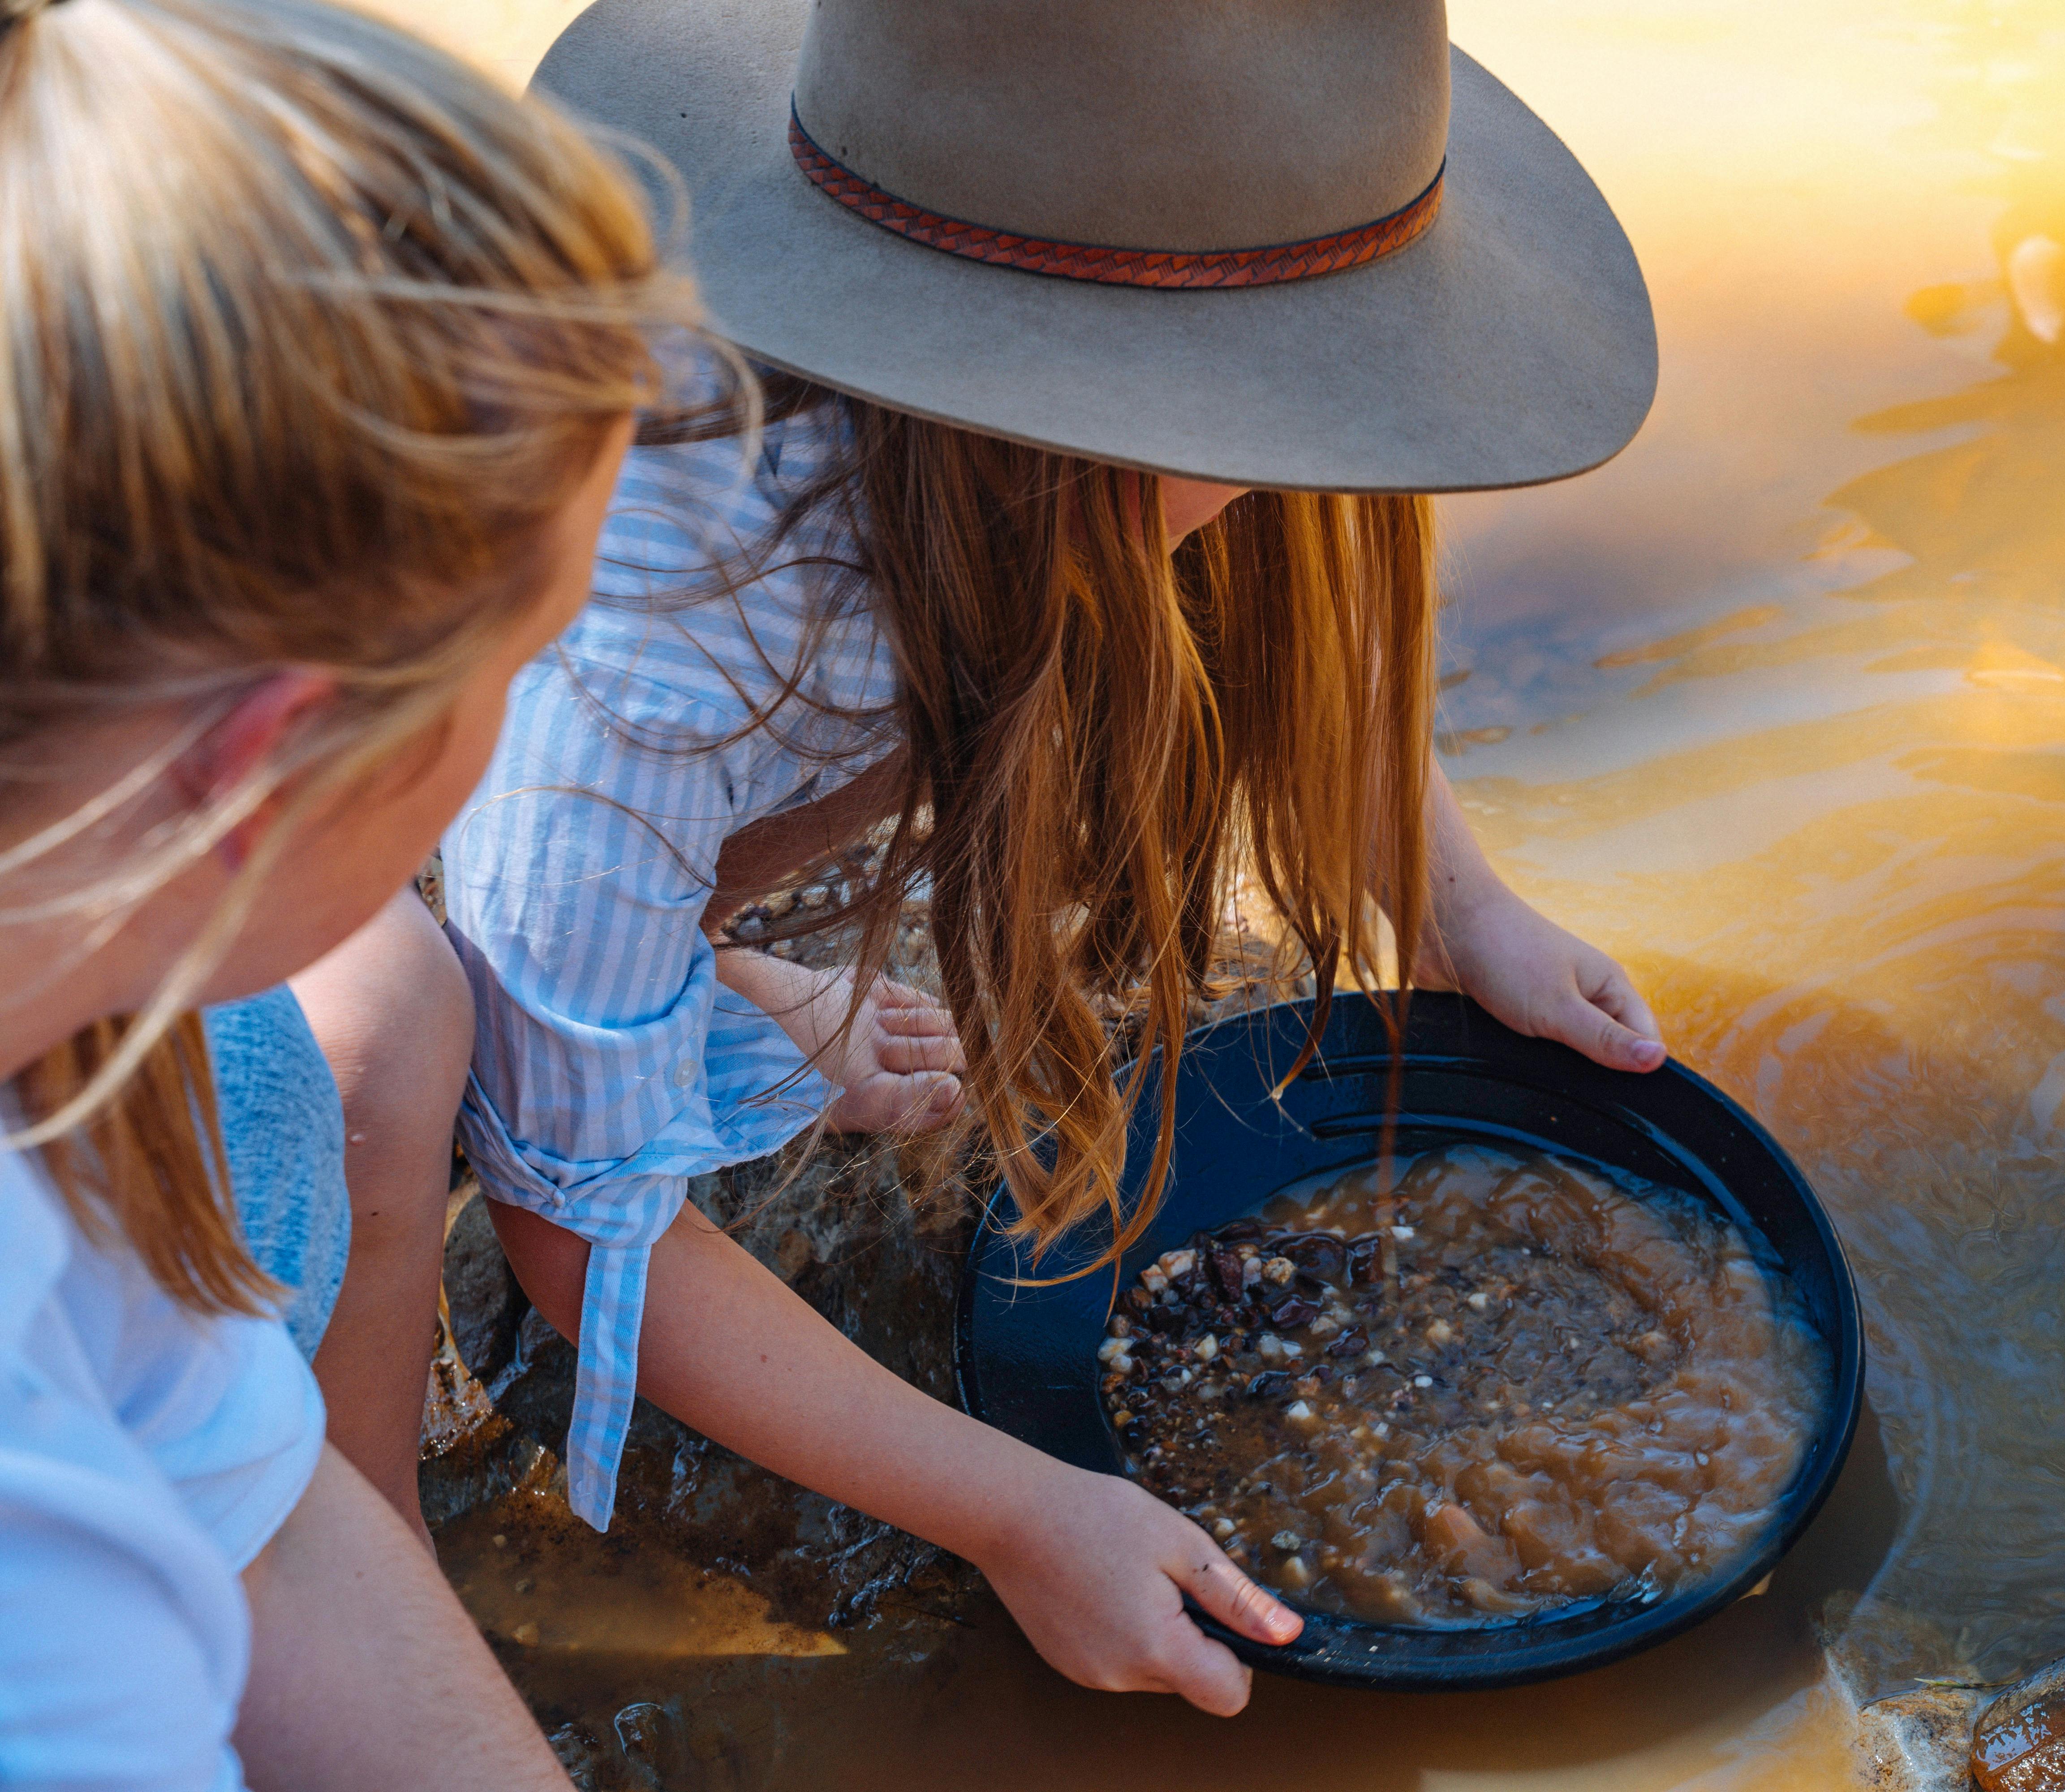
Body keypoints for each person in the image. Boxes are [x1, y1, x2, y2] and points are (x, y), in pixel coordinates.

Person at [417, 0, 1661, 1717]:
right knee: (388, 1052)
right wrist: (1019, 1513)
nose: (1329, 456)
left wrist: (1465, 910)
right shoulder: (644, 665)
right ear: (1078, 418)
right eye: (1303, 409)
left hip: (572, 806)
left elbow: (1303, 627)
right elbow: (583, 1229)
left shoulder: (1073, 450)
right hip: (242, 891)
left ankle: (671, 971)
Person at [0, 0, 678, 1779]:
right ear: (273, 755)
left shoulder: (76, 1057)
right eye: (521, 657)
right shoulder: (37, 1584)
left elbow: (261, 1508)